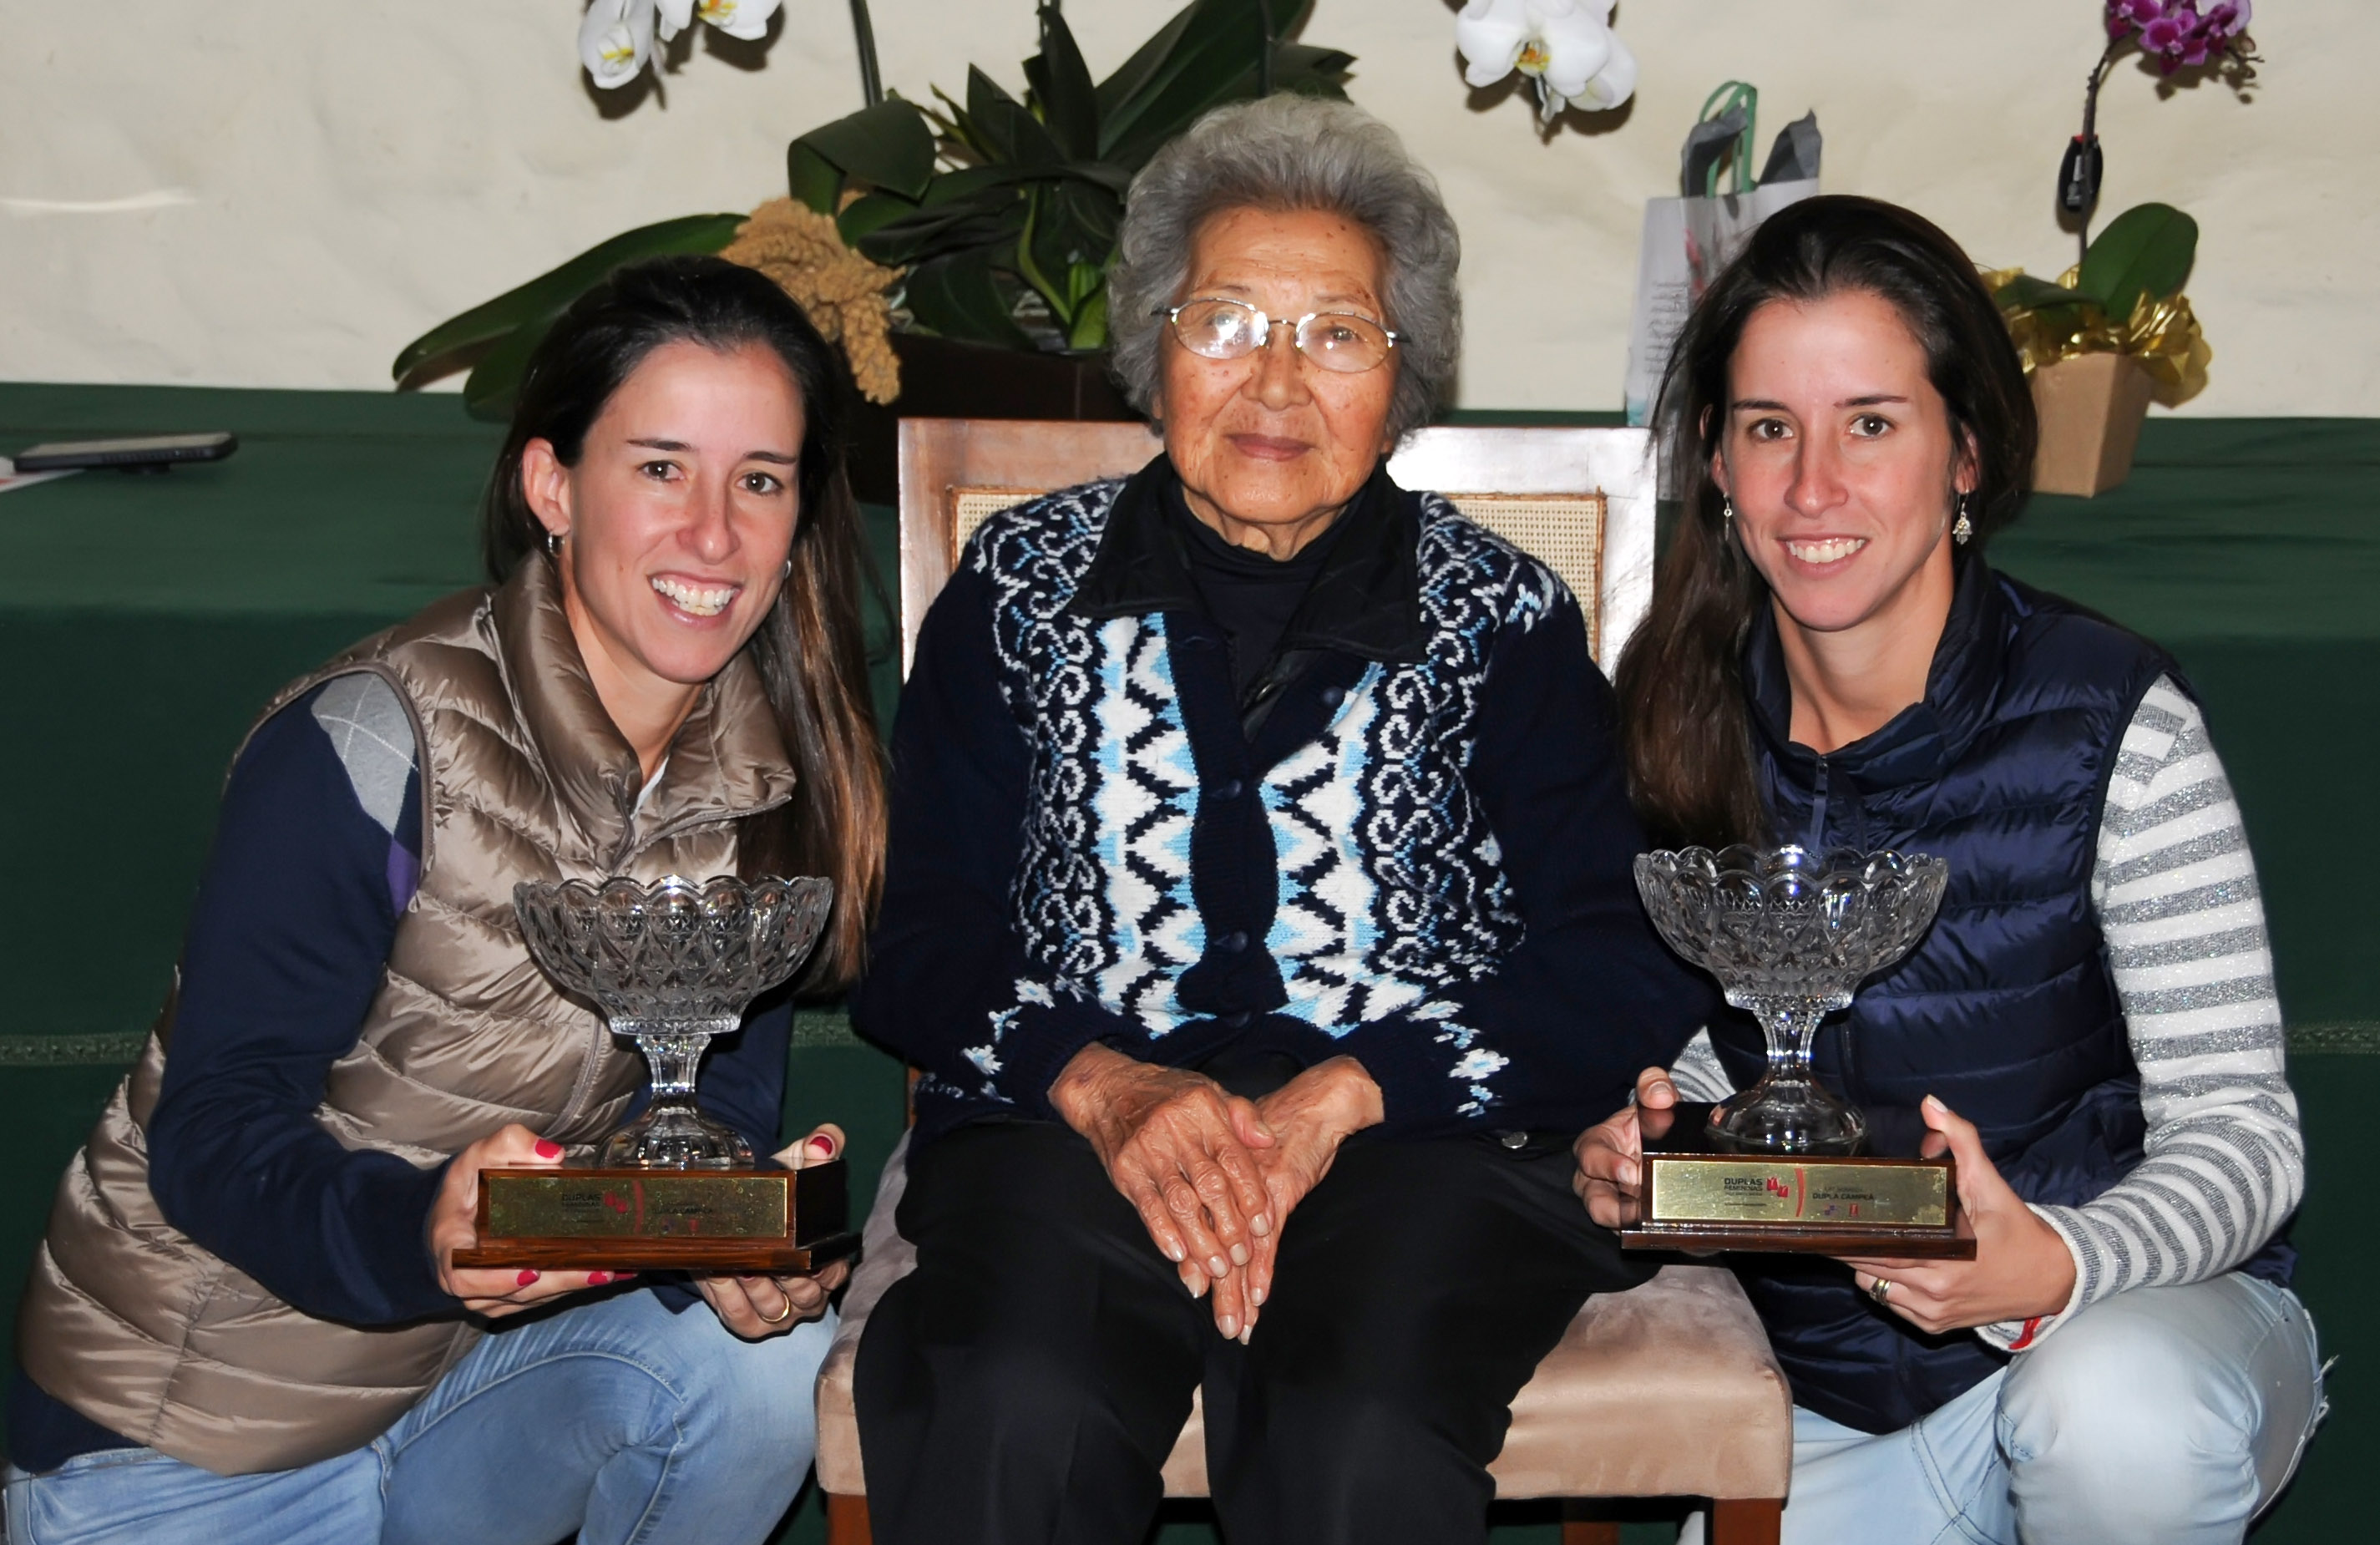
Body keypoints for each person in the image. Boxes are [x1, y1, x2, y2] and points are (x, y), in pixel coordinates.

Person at [849, 94, 1711, 1545]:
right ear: (1154, 353)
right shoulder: (1015, 586)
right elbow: (915, 934)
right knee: (1009, 1402)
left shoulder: (1499, 618)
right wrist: (1106, 1084)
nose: (1275, 381)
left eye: (1335, 334)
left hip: (1420, 1143)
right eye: (1226, 321)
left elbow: (1621, 959)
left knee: (1355, 1430)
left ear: (1402, 375)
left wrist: (1348, 1090)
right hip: (1074, 1130)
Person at [3, 256, 886, 1545]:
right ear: (551, 486)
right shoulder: (373, 737)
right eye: (659, 467)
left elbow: (707, 1112)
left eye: (760, 478)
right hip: (193, 1441)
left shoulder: (766, 777)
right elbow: (213, 1135)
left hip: (458, 1404)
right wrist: (424, 1229)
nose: (715, 533)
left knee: (749, 1375)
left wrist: (735, 1252)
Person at [1576, 195, 2325, 1545]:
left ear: (1965, 451)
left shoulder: (2112, 722)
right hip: (1829, 1396)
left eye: (1871, 423)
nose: (1813, 486)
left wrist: (2057, 1259)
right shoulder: (1669, 710)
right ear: (1717, 462)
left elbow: (2245, 1138)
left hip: (2121, 1322)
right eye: (1768, 429)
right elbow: (1710, 1041)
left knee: (2113, 1417)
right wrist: (1650, 1147)